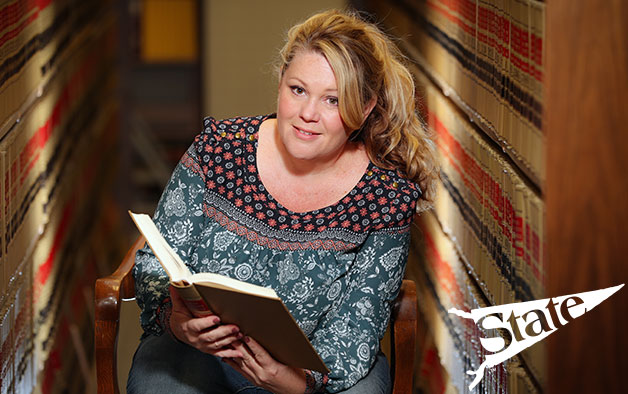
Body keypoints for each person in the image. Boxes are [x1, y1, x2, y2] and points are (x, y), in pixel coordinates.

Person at [127, 8, 438, 394]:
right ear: (280, 83)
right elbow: (159, 260)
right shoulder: (217, 149)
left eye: (332, 100)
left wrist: (296, 384)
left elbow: (358, 322)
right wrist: (177, 323)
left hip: (317, 367)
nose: (308, 114)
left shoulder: (386, 195)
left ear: (367, 107)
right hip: (199, 352)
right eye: (298, 90)